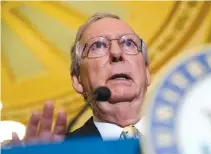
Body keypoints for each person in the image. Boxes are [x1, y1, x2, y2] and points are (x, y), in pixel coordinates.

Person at [12, 12, 151, 144]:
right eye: (98, 45)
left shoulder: (173, 135)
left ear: (146, 73)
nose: (116, 52)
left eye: (128, 43)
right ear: (78, 80)